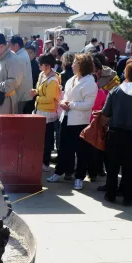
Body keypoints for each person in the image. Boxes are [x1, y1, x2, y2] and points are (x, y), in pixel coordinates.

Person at [47, 53, 98, 190]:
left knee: (81, 151)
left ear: (83, 66)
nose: (73, 64)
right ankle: (59, 172)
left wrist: (70, 105)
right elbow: (65, 97)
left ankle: (79, 177)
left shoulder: (90, 82)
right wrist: (64, 103)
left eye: (76, 62)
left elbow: (88, 104)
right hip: (66, 118)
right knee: (63, 148)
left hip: (80, 121)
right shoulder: (71, 80)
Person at [102, 61, 132, 205]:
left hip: (115, 133)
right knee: (130, 167)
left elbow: (106, 113)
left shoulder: (115, 90)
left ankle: (110, 194)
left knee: (113, 166)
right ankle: (128, 197)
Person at [30, 54, 60, 171]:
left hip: (48, 113)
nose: (39, 66)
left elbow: (50, 98)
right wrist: (36, 91)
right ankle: (40, 160)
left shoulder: (53, 80)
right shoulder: (42, 75)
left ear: (47, 65)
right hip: (39, 111)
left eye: (41, 64)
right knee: (39, 139)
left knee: (47, 140)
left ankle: (46, 163)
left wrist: (36, 96)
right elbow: (39, 90)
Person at [0, 33, 21, 114]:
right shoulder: (2, 57)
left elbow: (14, 82)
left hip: (5, 102)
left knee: (3, 126)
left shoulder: (12, 59)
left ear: (2, 46)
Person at [9, 36, 33, 113]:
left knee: (17, 119)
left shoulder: (19, 57)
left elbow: (16, 79)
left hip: (20, 95)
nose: (9, 49)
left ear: (16, 45)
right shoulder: (23, 54)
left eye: (10, 46)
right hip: (24, 94)